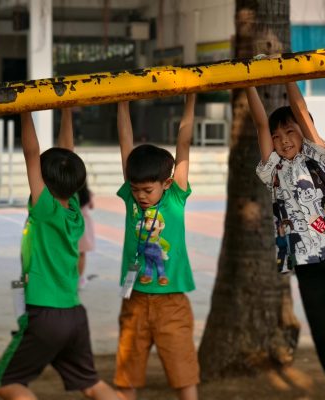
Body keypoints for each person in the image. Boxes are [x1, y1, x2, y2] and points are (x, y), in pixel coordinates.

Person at [0, 108, 118, 400]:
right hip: (74, 314)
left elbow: (31, 153)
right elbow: (67, 153)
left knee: (7, 382)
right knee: (92, 385)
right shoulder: (73, 209)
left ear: (43, 183)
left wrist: (24, 109)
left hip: (44, 315)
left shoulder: (45, 209)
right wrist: (67, 108)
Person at [246, 81, 325, 400]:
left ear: (303, 131)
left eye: (290, 132)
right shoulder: (273, 171)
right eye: (277, 136)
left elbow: (301, 110)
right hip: (308, 266)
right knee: (322, 334)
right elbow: (259, 123)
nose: (283, 140)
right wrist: (248, 83)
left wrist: (288, 76)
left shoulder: (319, 156)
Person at [115, 94, 199, 400]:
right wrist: (122, 102)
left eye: (147, 190)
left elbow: (183, 144)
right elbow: (125, 143)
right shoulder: (131, 197)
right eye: (136, 189)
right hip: (135, 299)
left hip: (171, 302)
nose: (140, 195)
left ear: (166, 182)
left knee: (183, 374)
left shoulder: (175, 198)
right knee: (127, 375)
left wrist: (191, 98)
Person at [78, 181, 96, 289]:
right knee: (82, 254)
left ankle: (70, 277)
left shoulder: (69, 192)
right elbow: (92, 206)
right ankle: (80, 279)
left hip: (72, 223)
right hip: (84, 225)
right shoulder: (87, 193)